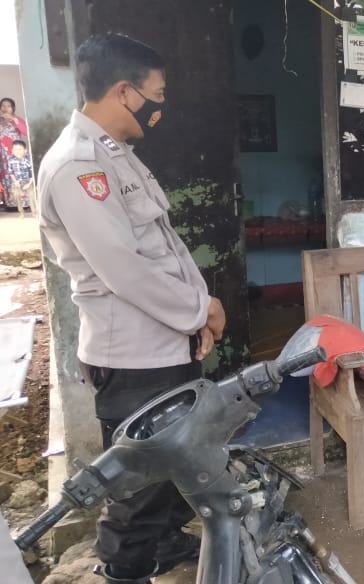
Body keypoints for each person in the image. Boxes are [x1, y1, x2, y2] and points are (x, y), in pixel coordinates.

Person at [36, 33, 225, 584]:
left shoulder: (118, 157)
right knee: (136, 488)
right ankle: (124, 570)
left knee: (171, 465)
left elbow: (164, 248)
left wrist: (195, 314)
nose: (161, 105)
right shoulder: (79, 167)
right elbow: (125, 269)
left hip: (161, 344)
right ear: (124, 92)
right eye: (156, 94)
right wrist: (201, 310)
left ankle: (163, 545)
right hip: (135, 357)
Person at [0, 97, 28, 208]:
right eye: (3, 106)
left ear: (13, 108)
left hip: (16, 155)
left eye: (8, 106)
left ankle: (24, 204)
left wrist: (13, 118)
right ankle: (10, 204)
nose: (5, 108)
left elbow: (26, 132)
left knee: (19, 177)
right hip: (3, 156)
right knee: (7, 178)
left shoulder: (17, 120)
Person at [7, 140, 35, 218]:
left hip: (28, 181)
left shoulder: (28, 160)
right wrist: (15, 182)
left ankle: (34, 212)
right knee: (16, 195)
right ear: (12, 151)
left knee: (32, 195)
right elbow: (11, 172)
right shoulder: (11, 160)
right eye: (15, 149)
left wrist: (29, 184)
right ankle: (21, 212)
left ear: (25, 150)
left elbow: (32, 174)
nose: (17, 151)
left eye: (20, 149)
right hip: (17, 182)